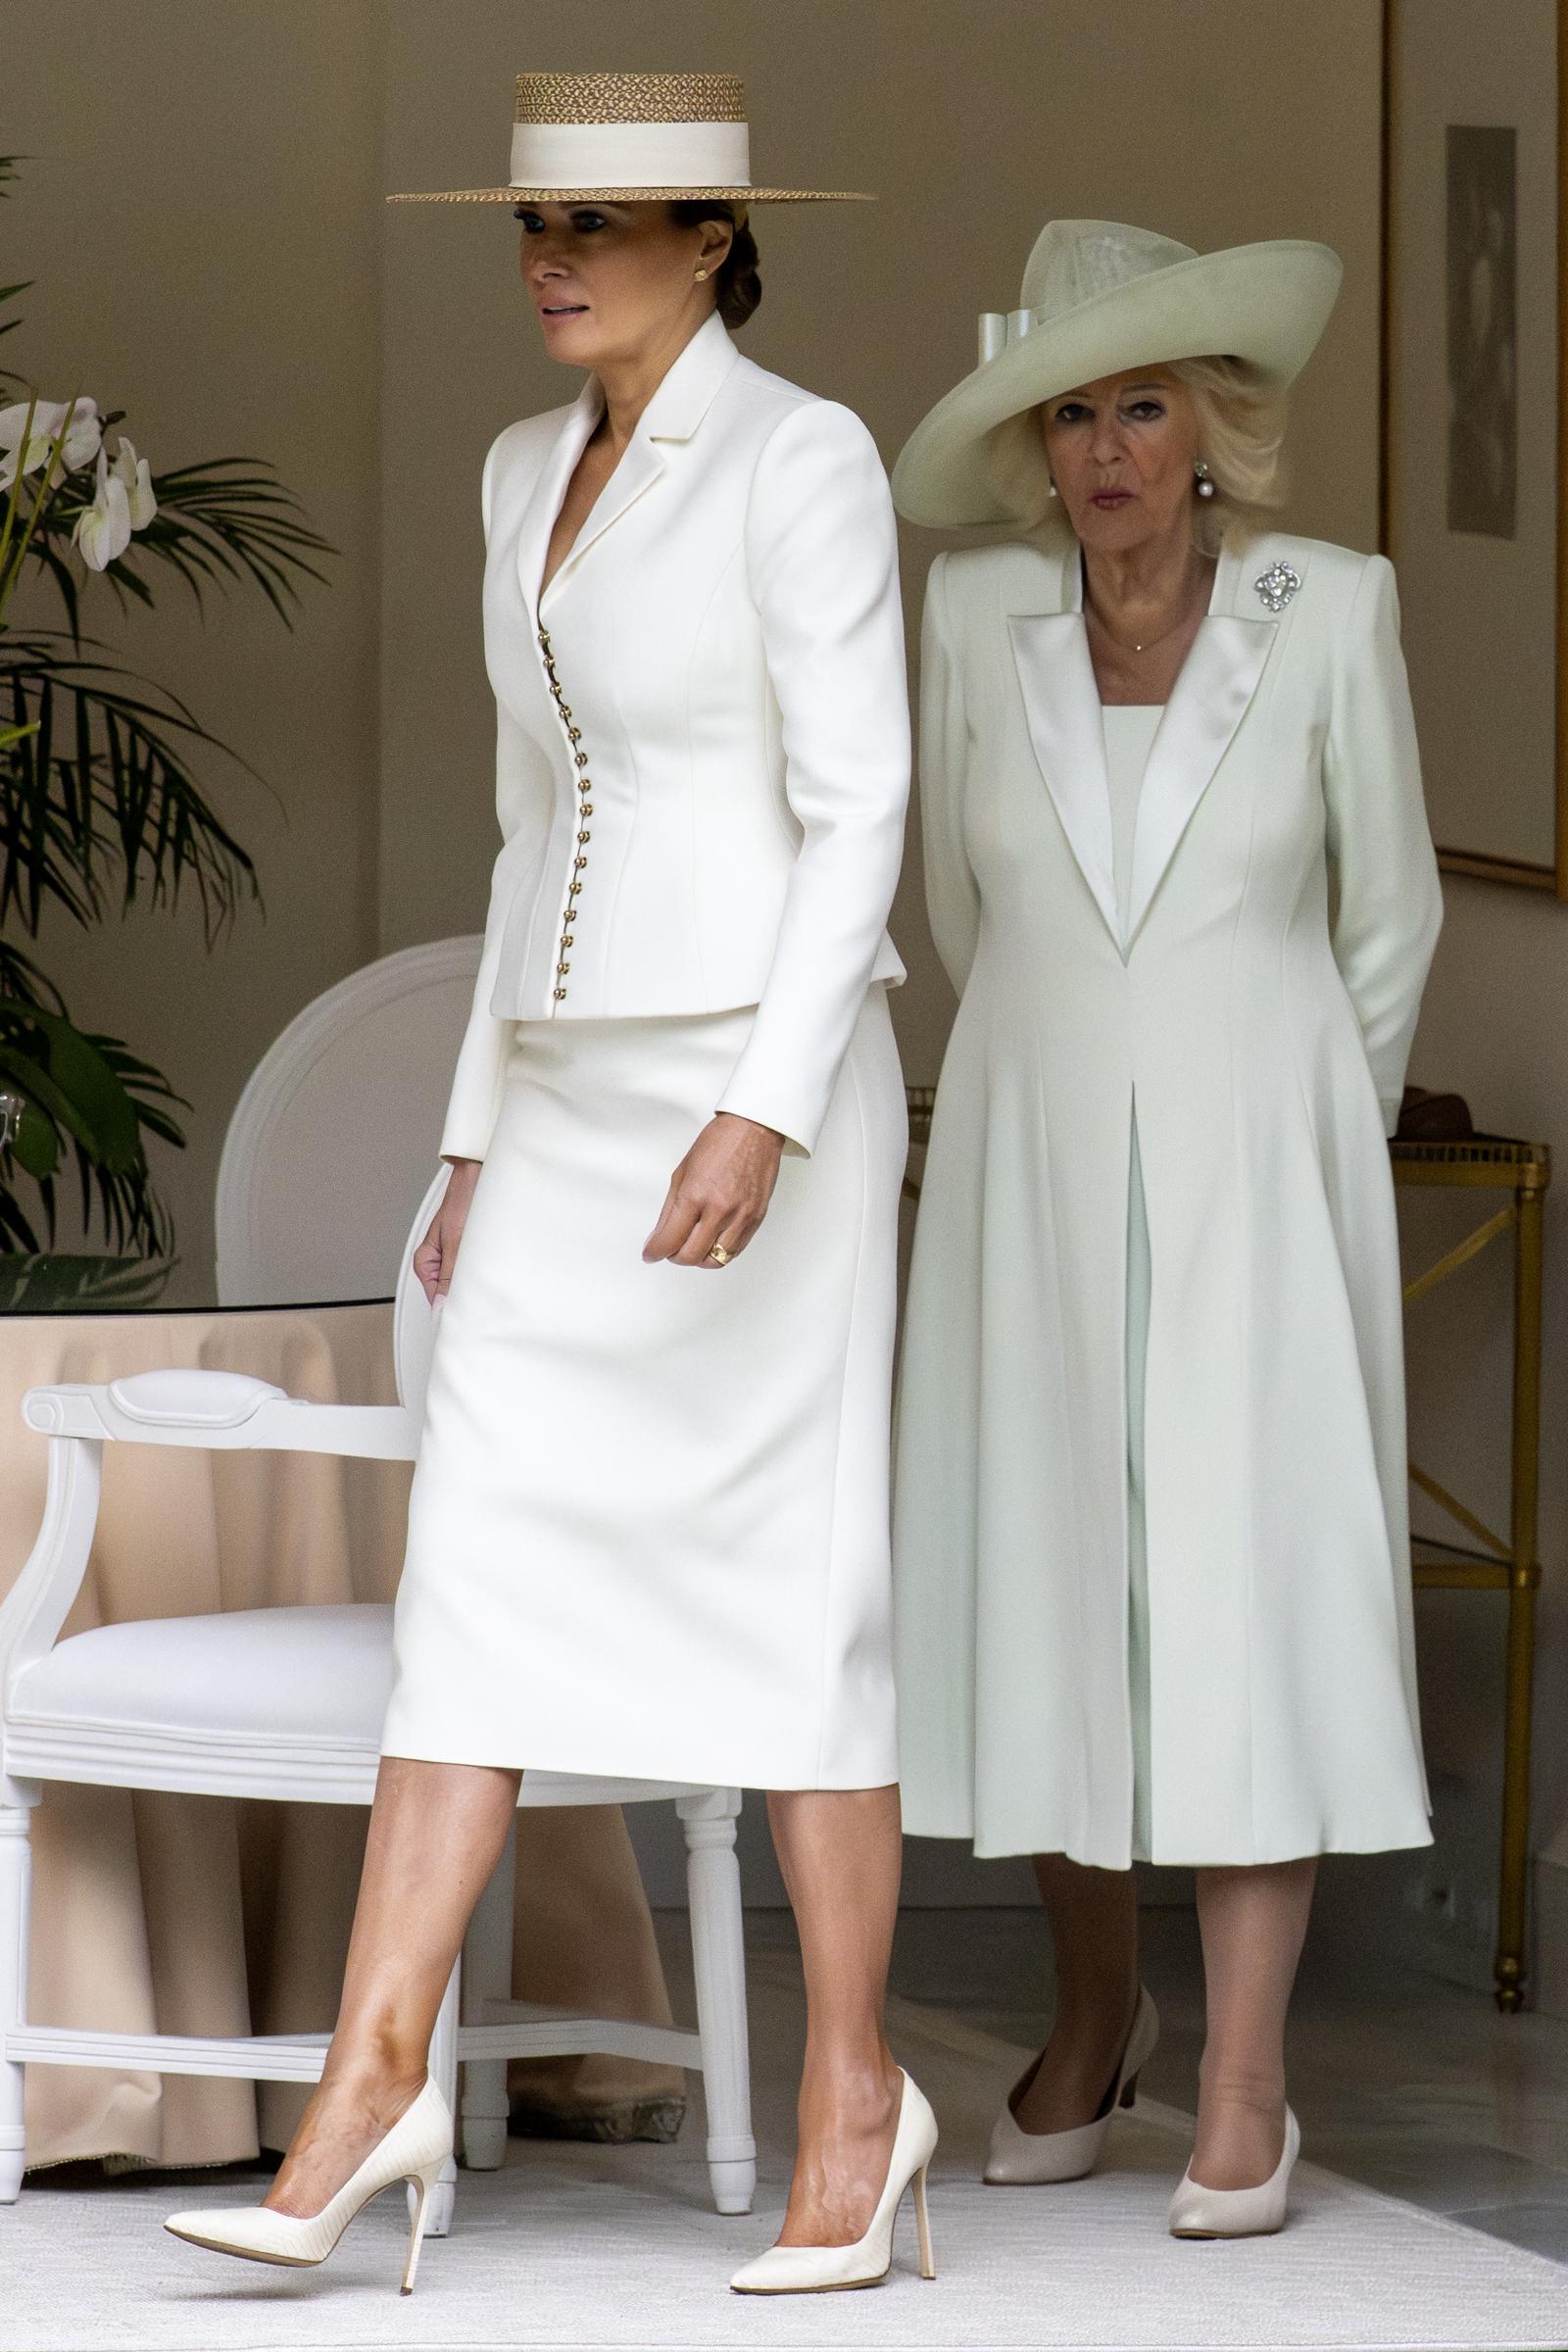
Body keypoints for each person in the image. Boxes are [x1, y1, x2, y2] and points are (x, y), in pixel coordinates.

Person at [167, 70, 937, 2298]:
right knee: (474, 1587)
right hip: (569, 1103)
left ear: (713, 241)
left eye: (602, 223)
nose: (553, 255)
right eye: (532, 222)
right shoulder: (520, 473)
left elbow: (859, 809)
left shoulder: (799, 457)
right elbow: (531, 833)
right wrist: (474, 1138)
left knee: (801, 1606)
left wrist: (769, 1113)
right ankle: (365, 2089)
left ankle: (853, 2108)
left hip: (750, 1102)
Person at [890, 219, 1443, 2239]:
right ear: (1030, 447)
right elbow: (966, 915)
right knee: (1055, 1578)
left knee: (1239, 1590)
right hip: (1032, 1152)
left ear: (1210, 426)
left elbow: (1383, 920)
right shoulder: (971, 618)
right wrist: (1065, 1060)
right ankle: (1093, 2005)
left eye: (1140, 404)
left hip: (1256, 1169)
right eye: (1069, 414)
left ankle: (1239, 2076)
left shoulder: (1327, 610)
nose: (1106, 449)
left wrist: (1293, 1118)